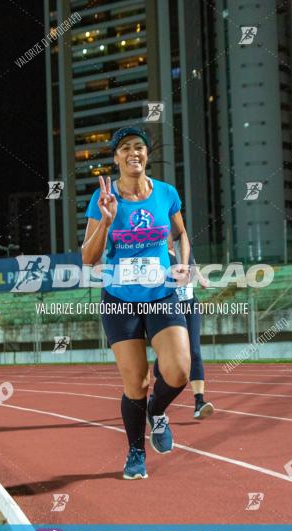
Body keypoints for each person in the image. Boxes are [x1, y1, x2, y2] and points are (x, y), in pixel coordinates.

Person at [81, 126, 191, 480]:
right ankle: (136, 452)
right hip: (120, 300)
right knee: (137, 383)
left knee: (178, 372)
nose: (134, 153)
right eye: (125, 148)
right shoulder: (103, 199)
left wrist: (184, 261)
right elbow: (88, 258)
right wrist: (107, 221)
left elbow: (180, 233)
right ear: (115, 158)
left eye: (139, 147)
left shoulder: (166, 193)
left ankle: (156, 412)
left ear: (146, 154)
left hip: (161, 295)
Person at [154, 240, 214, 420]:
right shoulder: (158, 251)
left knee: (194, 350)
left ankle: (199, 402)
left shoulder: (183, 247)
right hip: (169, 307)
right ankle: (158, 396)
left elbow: (193, 268)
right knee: (168, 355)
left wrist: (203, 280)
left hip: (190, 305)